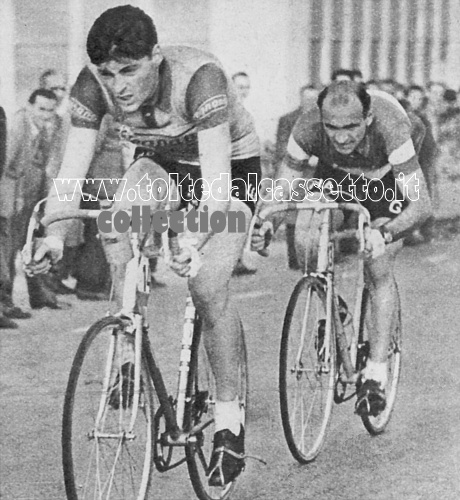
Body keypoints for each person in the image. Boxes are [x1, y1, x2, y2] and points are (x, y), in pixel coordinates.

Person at [29, 5, 260, 487]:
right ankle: (129, 349)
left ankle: (228, 420)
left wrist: (192, 238)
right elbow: (70, 176)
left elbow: (216, 189)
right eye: (109, 73)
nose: (119, 85)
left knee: (206, 284)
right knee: (115, 219)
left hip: (227, 171)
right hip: (161, 162)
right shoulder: (91, 88)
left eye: (130, 70)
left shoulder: (200, 79)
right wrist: (53, 233)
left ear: (155, 58)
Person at [252, 81, 432, 416]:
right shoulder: (305, 127)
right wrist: (267, 223)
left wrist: (387, 233)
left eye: (351, 126)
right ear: (321, 119)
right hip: (335, 175)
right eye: (332, 128)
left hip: (385, 180)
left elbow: (421, 207)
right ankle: (336, 309)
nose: (341, 137)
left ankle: (375, 374)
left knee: (377, 264)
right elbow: (283, 190)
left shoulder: (392, 127)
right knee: (306, 236)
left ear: (368, 118)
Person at [0, 89, 64, 315]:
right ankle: (4, 304)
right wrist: (15, 197)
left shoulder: (48, 127)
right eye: (41, 109)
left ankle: (36, 297)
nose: (46, 115)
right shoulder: (18, 124)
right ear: (29, 106)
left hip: (31, 197)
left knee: (27, 245)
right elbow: (7, 165)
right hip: (12, 197)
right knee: (6, 251)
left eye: (50, 110)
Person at [274, 85, 319, 269]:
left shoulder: (324, 120)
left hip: (316, 175)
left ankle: (317, 255)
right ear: (300, 99)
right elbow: (282, 147)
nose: (310, 102)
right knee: (292, 214)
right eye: (306, 98)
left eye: (313, 99)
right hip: (297, 173)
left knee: (317, 213)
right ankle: (295, 258)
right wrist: (306, 157)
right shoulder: (288, 119)